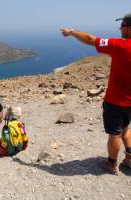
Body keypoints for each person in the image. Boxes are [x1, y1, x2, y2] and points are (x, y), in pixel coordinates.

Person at [60, 13, 131, 174]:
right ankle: (129, 158)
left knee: (115, 134)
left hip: (116, 101)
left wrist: (71, 32)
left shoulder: (120, 45)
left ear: (129, 28)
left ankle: (111, 163)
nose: (120, 28)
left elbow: (91, 40)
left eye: (123, 25)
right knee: (126, 127)